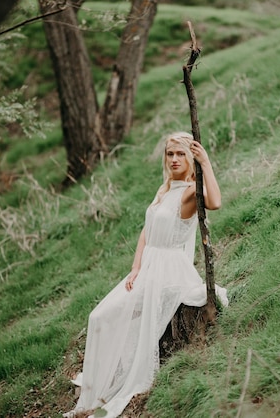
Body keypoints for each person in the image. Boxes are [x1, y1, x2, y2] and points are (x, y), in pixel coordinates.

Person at [63, 132, 228, 418]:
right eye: (170, 154)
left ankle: (106, 387)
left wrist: (207, 163)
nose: (174, 159)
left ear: (190, 158)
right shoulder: (165, 189)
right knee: (100, 317)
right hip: (148, 266)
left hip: (169, 269)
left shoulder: (189, 190)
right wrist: (136, 267)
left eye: (180, 154)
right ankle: (97, 383)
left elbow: (214, 203)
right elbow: (146, 231)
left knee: (106, 316)